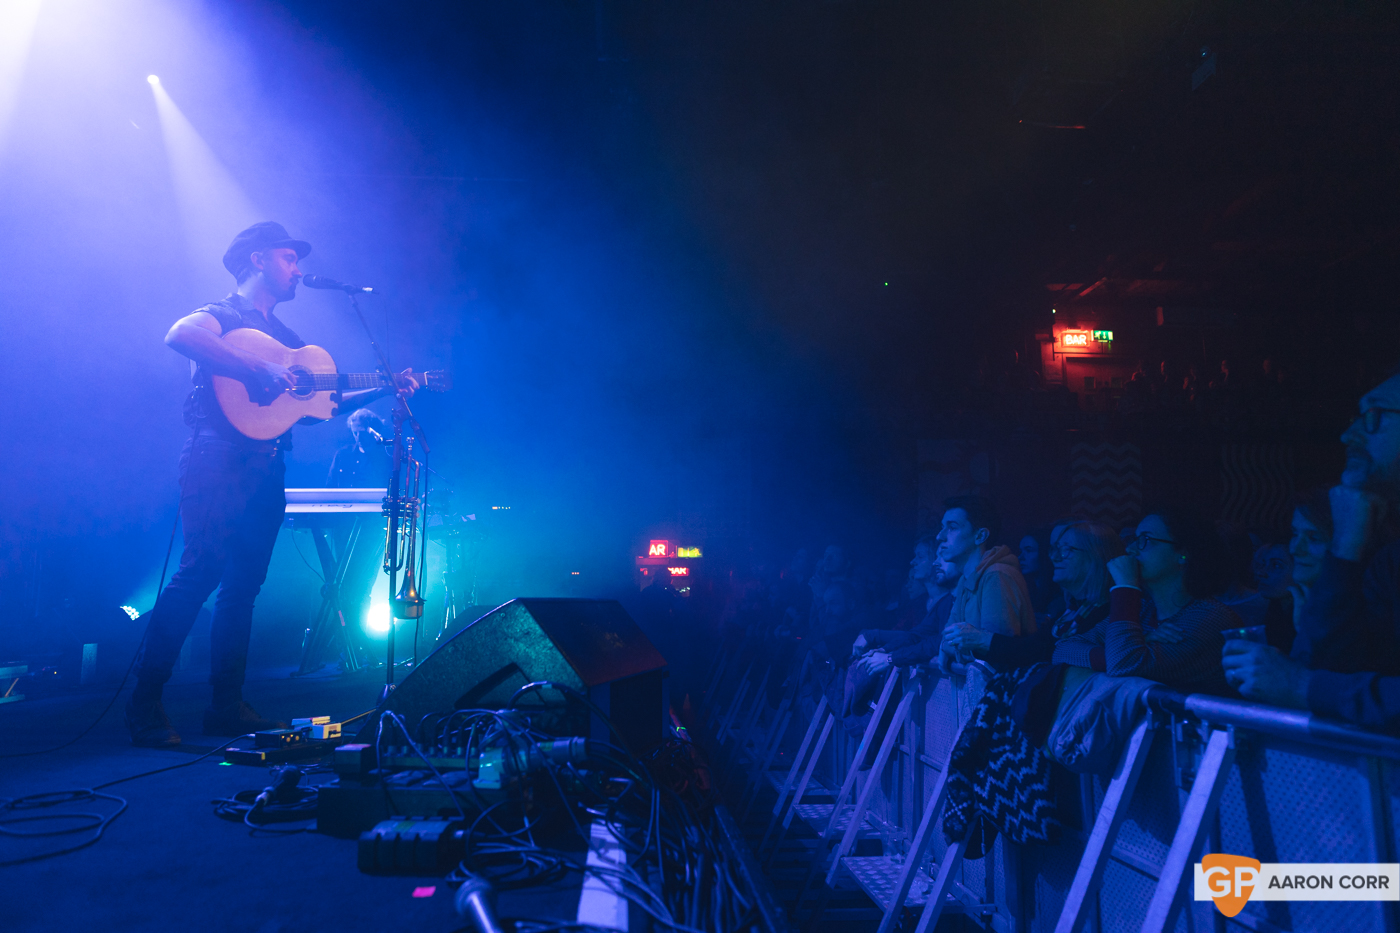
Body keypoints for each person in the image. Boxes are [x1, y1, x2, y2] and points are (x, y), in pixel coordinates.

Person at [126, 222, 420, 747]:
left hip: (268, 465)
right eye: (289, 258)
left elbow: (322, 405)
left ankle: (226, 706)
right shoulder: (223, 313)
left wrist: (385, 387)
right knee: (199, 572)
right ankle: (144, 705)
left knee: (243, 587)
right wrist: (256, 365)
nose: (298, 270)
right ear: (258, 259)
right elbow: (180, 335)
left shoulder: (288, 339)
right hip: (217, 456)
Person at [1224, 373, 1400, 726]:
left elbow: (1313, 685)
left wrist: (1301, 685)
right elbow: (1333, 672)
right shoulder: (1388, 564)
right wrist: (1346, 544)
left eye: (1375, 415)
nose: (1348, 435)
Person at [1051, 507, 1239, 695]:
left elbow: (1123, 664)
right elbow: (1061, 650)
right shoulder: (1144, 611)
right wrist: (1140, 641)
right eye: (1134, 539)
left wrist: (1126, 586)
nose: (1130, 549)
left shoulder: (1210, 617)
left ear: (1183, 554)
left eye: (1145, 540)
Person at [941, 520, 1125, 672]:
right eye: (1054, 550)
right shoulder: (1070, 611)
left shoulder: (1114, 612)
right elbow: (1035, 648)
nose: (1055, 558)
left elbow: (1041, 652)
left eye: (1066, 550)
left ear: (1095, 556)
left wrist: (979, 639)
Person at [937, 495, 1035, 639]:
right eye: (942, 527)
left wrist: (955, 649)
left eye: (952, 527)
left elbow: (996, 649)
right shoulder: (965, 579)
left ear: (980, 536)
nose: (940, 536)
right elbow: (946, 641)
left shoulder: (997, 576)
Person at [850, 542, 955, 674]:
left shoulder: (950, 600)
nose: (912, 562)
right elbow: (917, 635)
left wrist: (889, 657)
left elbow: (937, 641)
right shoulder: (924, 602)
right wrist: (884, 650)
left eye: (920, 556)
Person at [327, 408, 390, 488]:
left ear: (374, 431)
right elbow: (330, 486)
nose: (358, 437)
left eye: (362, 433)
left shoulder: (386, 455)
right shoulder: (342, 454)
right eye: (355, 433)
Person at [1018, 528, 1057, 616]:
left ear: (1044, 553)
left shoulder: (1059, 595)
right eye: (1020, 551)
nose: (1020, 557)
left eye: (1028, 550)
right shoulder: (1026, 589)